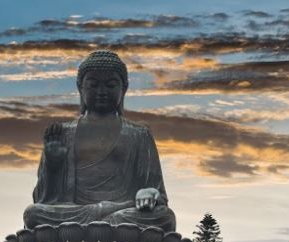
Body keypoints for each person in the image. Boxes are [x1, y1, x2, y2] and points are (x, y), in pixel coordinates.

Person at [22, 50, 176, 232]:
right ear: (80, 88)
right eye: (93, 85)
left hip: (123, 211)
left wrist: (149, 192)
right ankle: (104, 224)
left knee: (165, 216)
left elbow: (156, 191)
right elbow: (42, 199)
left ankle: (99, 225)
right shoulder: (62, 133)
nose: (102, 92)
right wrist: (52, 165)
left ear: (124, 89)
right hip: (78, 213)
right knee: (33, 214)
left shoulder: (139, 134)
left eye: (110, 85)